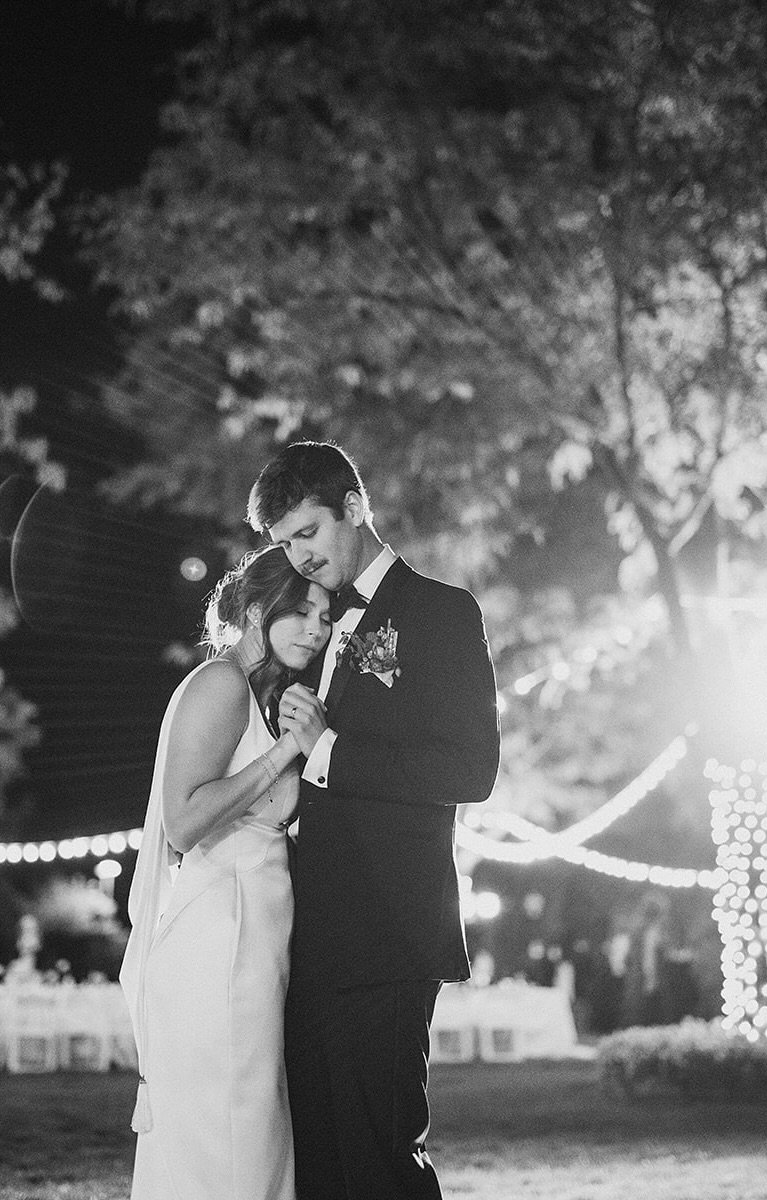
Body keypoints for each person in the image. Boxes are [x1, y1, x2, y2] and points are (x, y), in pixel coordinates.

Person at [248, 441, 500, 1200]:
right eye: (285, 542)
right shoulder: (314, 626)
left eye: (307, 532)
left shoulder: (439, 612)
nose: (298, 556)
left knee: (379, 1159)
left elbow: (468, 769)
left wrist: (328, 750)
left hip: (388, 933)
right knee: (319, 1163)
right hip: (311, 937)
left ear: (354, 507)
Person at [119, 545, 331, 1200]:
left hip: (252, 948)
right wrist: (289, 754)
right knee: (232, 1146)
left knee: (249, 1141)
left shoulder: (265, 699)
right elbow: (184, 820)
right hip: (218, 951)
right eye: (302, 611)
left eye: (325, 616)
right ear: (258, 609)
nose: (316, 629)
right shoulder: (220, 684)